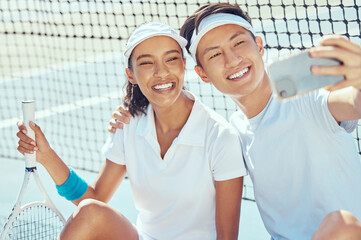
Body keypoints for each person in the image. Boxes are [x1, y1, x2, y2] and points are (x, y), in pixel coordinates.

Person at [108, 3, 361, 240]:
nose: (232, 60)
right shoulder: (232, 131)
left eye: (238, 43)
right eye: (215, 54)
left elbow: (352, 102)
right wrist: (137, 108)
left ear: (259, 46)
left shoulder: (307, 100)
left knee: (342, 224)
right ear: (202, 74)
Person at [16, 22, 247, 240]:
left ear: (184, 65)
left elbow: (227, 237)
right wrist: (45, 156)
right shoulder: (128, 124)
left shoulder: (221, 137)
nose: (161, 72)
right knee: (89, 211)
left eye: (171, 59)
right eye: (147, 62)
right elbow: (95, 199)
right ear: (131, 75)